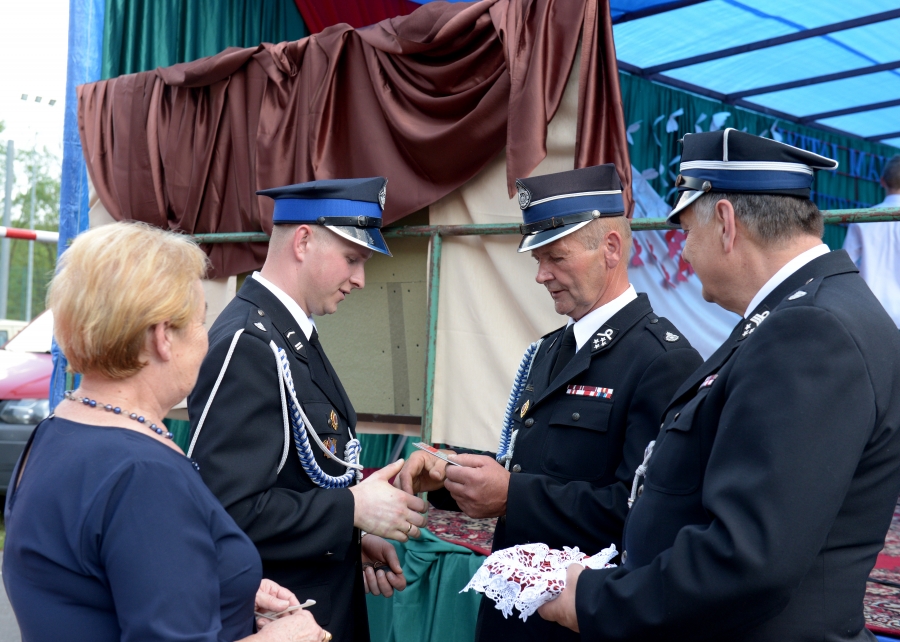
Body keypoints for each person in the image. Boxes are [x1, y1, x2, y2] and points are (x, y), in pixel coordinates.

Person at [539, 130, 900, 641]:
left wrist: (593, 599)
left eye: (687, 230)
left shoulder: (808, 330)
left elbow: (747, 556)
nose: (684, 251)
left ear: (726, 223)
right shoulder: (808, 312)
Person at [396, 164, 703, 640]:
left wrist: (512, 496)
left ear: (611, 248)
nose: (541, 275)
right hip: (512, 616)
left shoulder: (663, 361)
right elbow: (529, 467)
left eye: (556, 257)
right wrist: (448, 471)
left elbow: (643, 512)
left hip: (581, 620)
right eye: (537, 259)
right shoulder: (552, 348)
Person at [3, 222, 326, 642]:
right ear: (162, 337)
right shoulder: (143, 473)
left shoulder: (57, 430)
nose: (206, 339)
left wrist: (225, 589)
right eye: (200, 322)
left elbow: (94, 586)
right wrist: (284, 637)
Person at [187, 178, 427, 642]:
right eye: (352, 259)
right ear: (302, 241)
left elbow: (296, 481)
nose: (360, 279)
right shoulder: (249, 343)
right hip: (276, 619)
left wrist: (351, 536)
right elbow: (225, 510)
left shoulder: (287, 334)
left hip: (314, 608)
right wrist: (352, 509)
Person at [843, 155, 900, 327]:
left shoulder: (861, 219)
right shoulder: (860, 220)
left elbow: (845, 265)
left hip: (869, 313)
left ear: (882, 181)